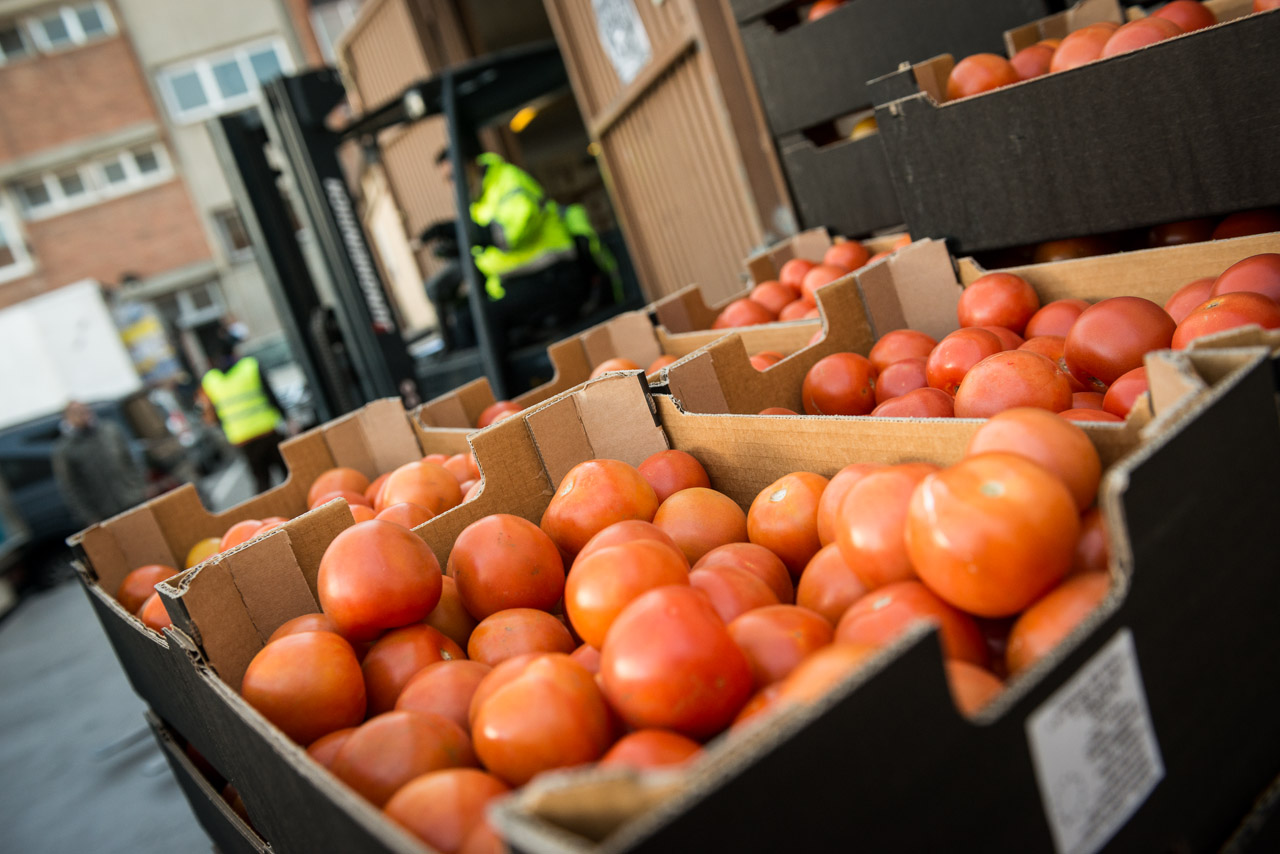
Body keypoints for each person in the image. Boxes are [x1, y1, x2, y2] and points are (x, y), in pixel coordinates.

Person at [197, 324, 288, 494]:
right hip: (267, 430)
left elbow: (211, 415)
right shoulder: (249, 366)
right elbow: (270, 396)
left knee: (262, 482)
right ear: (233, 351)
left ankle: (271, 517)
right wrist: (286, 418)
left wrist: (226, 430)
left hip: (242, 438)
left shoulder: (210, 380)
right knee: (288, 474)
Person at [51, 401, 147, 527]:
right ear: (67, 418)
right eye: (76, 413)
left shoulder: (110, 431)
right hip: (104, 511)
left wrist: (140, 487)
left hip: (132, 498)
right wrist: (88, 516)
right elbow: (71, 487)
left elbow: (130, 460)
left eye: (84, 410)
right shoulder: (64, 450)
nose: (83, 414)